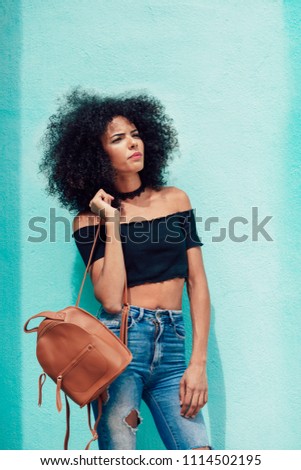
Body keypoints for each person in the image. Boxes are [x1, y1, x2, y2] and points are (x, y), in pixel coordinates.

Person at [39, 87, 212, 450]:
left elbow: (196, 283)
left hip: (175, 345)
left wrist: (198, 364)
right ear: (96, 155)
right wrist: (112, 223)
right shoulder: (88, 221)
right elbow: (111, 299)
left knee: (200, 455)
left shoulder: (175, 199)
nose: (134, 144)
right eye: (119, 139)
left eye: (136, 134)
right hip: (120, 344)